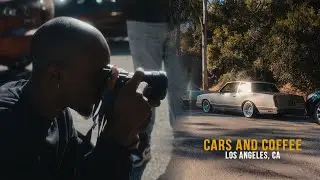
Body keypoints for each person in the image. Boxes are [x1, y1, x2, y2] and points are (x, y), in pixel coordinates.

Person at [0, 17, 158, 179]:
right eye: (98, 75)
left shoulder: (53, 109)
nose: (105, 85)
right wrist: (118, 133)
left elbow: (84, 169)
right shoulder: (8, 131)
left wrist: (124, 130)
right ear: (56, 75)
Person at [119, 0, 188, 179]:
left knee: (181, 89)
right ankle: (142, 145)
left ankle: (183, 148)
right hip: (142, 17)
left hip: (185, 19)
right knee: (146, 87)